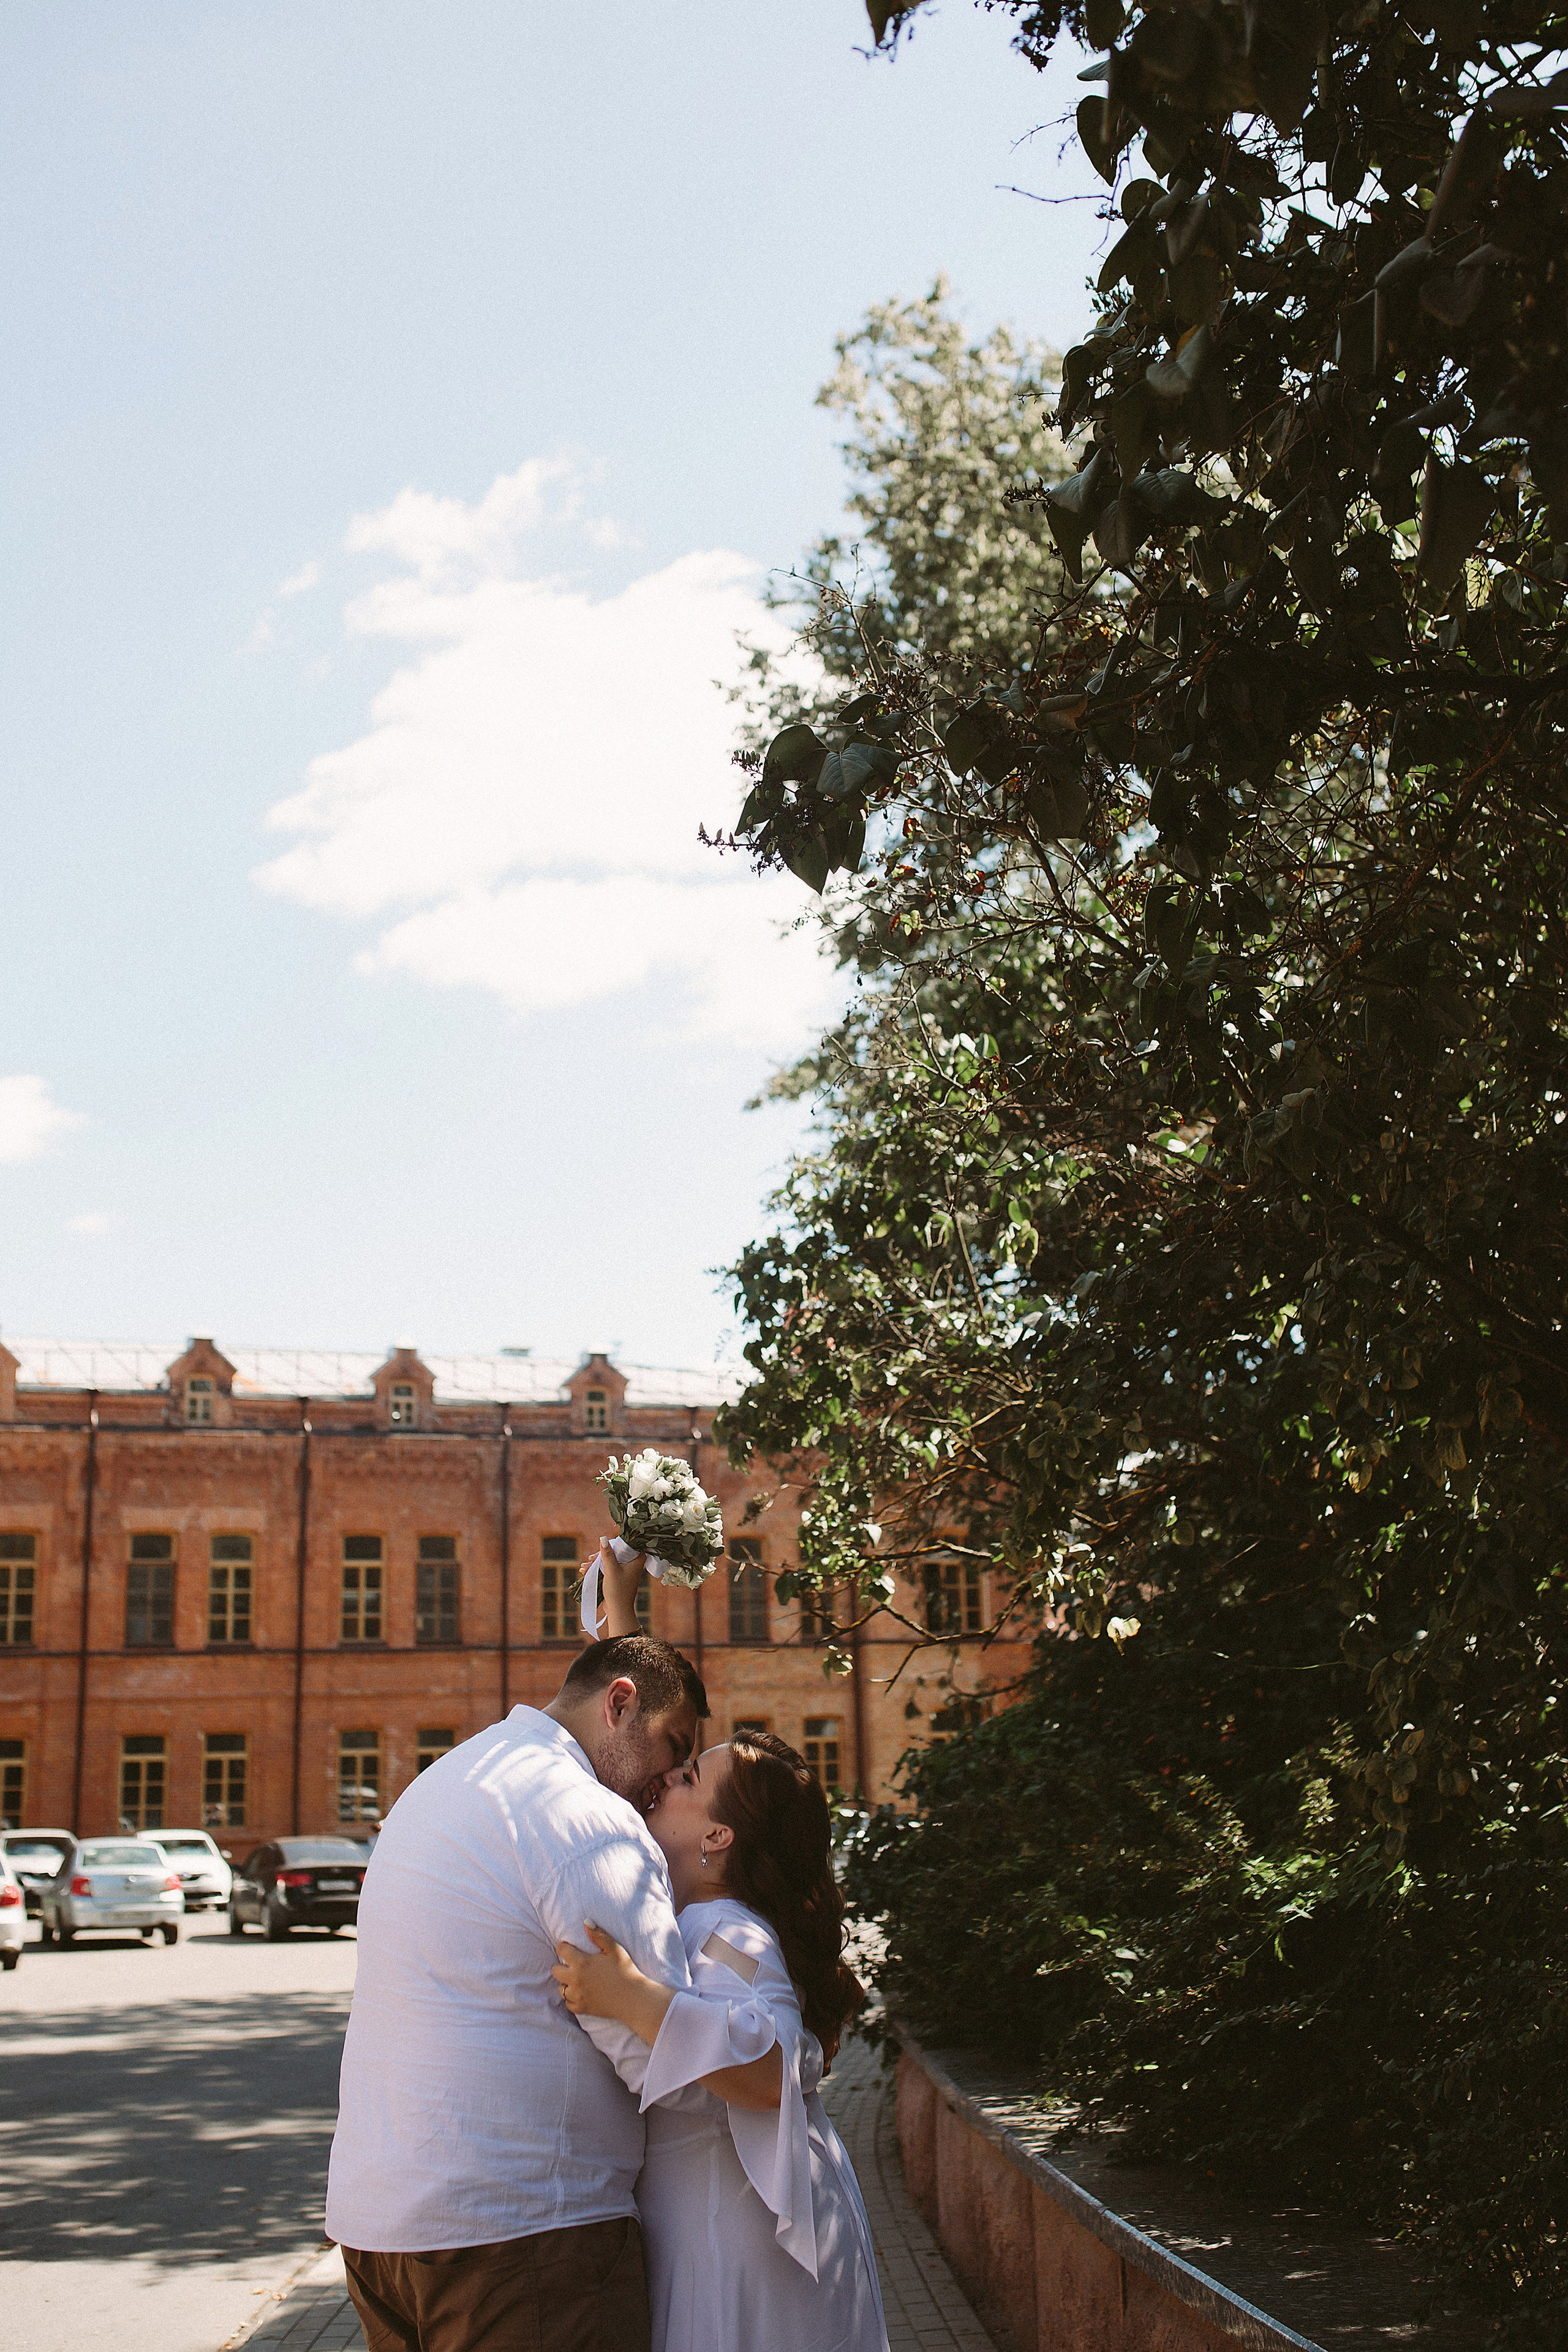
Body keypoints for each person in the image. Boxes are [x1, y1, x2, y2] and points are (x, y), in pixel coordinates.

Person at [325, 1577, 778, 2352]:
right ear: (619, 1703)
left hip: (381, 2224)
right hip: (523, 2233)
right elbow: (659, 2061)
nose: (664, 1782)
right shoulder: (585, 1817)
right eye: (672, 1748)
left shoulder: (445, 1781)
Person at [553, 1563, 890, 2352]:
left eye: (688, 1775)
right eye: (682, 1760)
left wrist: (628, 1995)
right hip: (718, 2228)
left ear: (717, 1837)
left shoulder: (730, 1929)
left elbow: (767, 2066)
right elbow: (625, 1732)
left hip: (734, 2247)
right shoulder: (699, 1912)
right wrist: (624, 1621)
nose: (667, 1774)